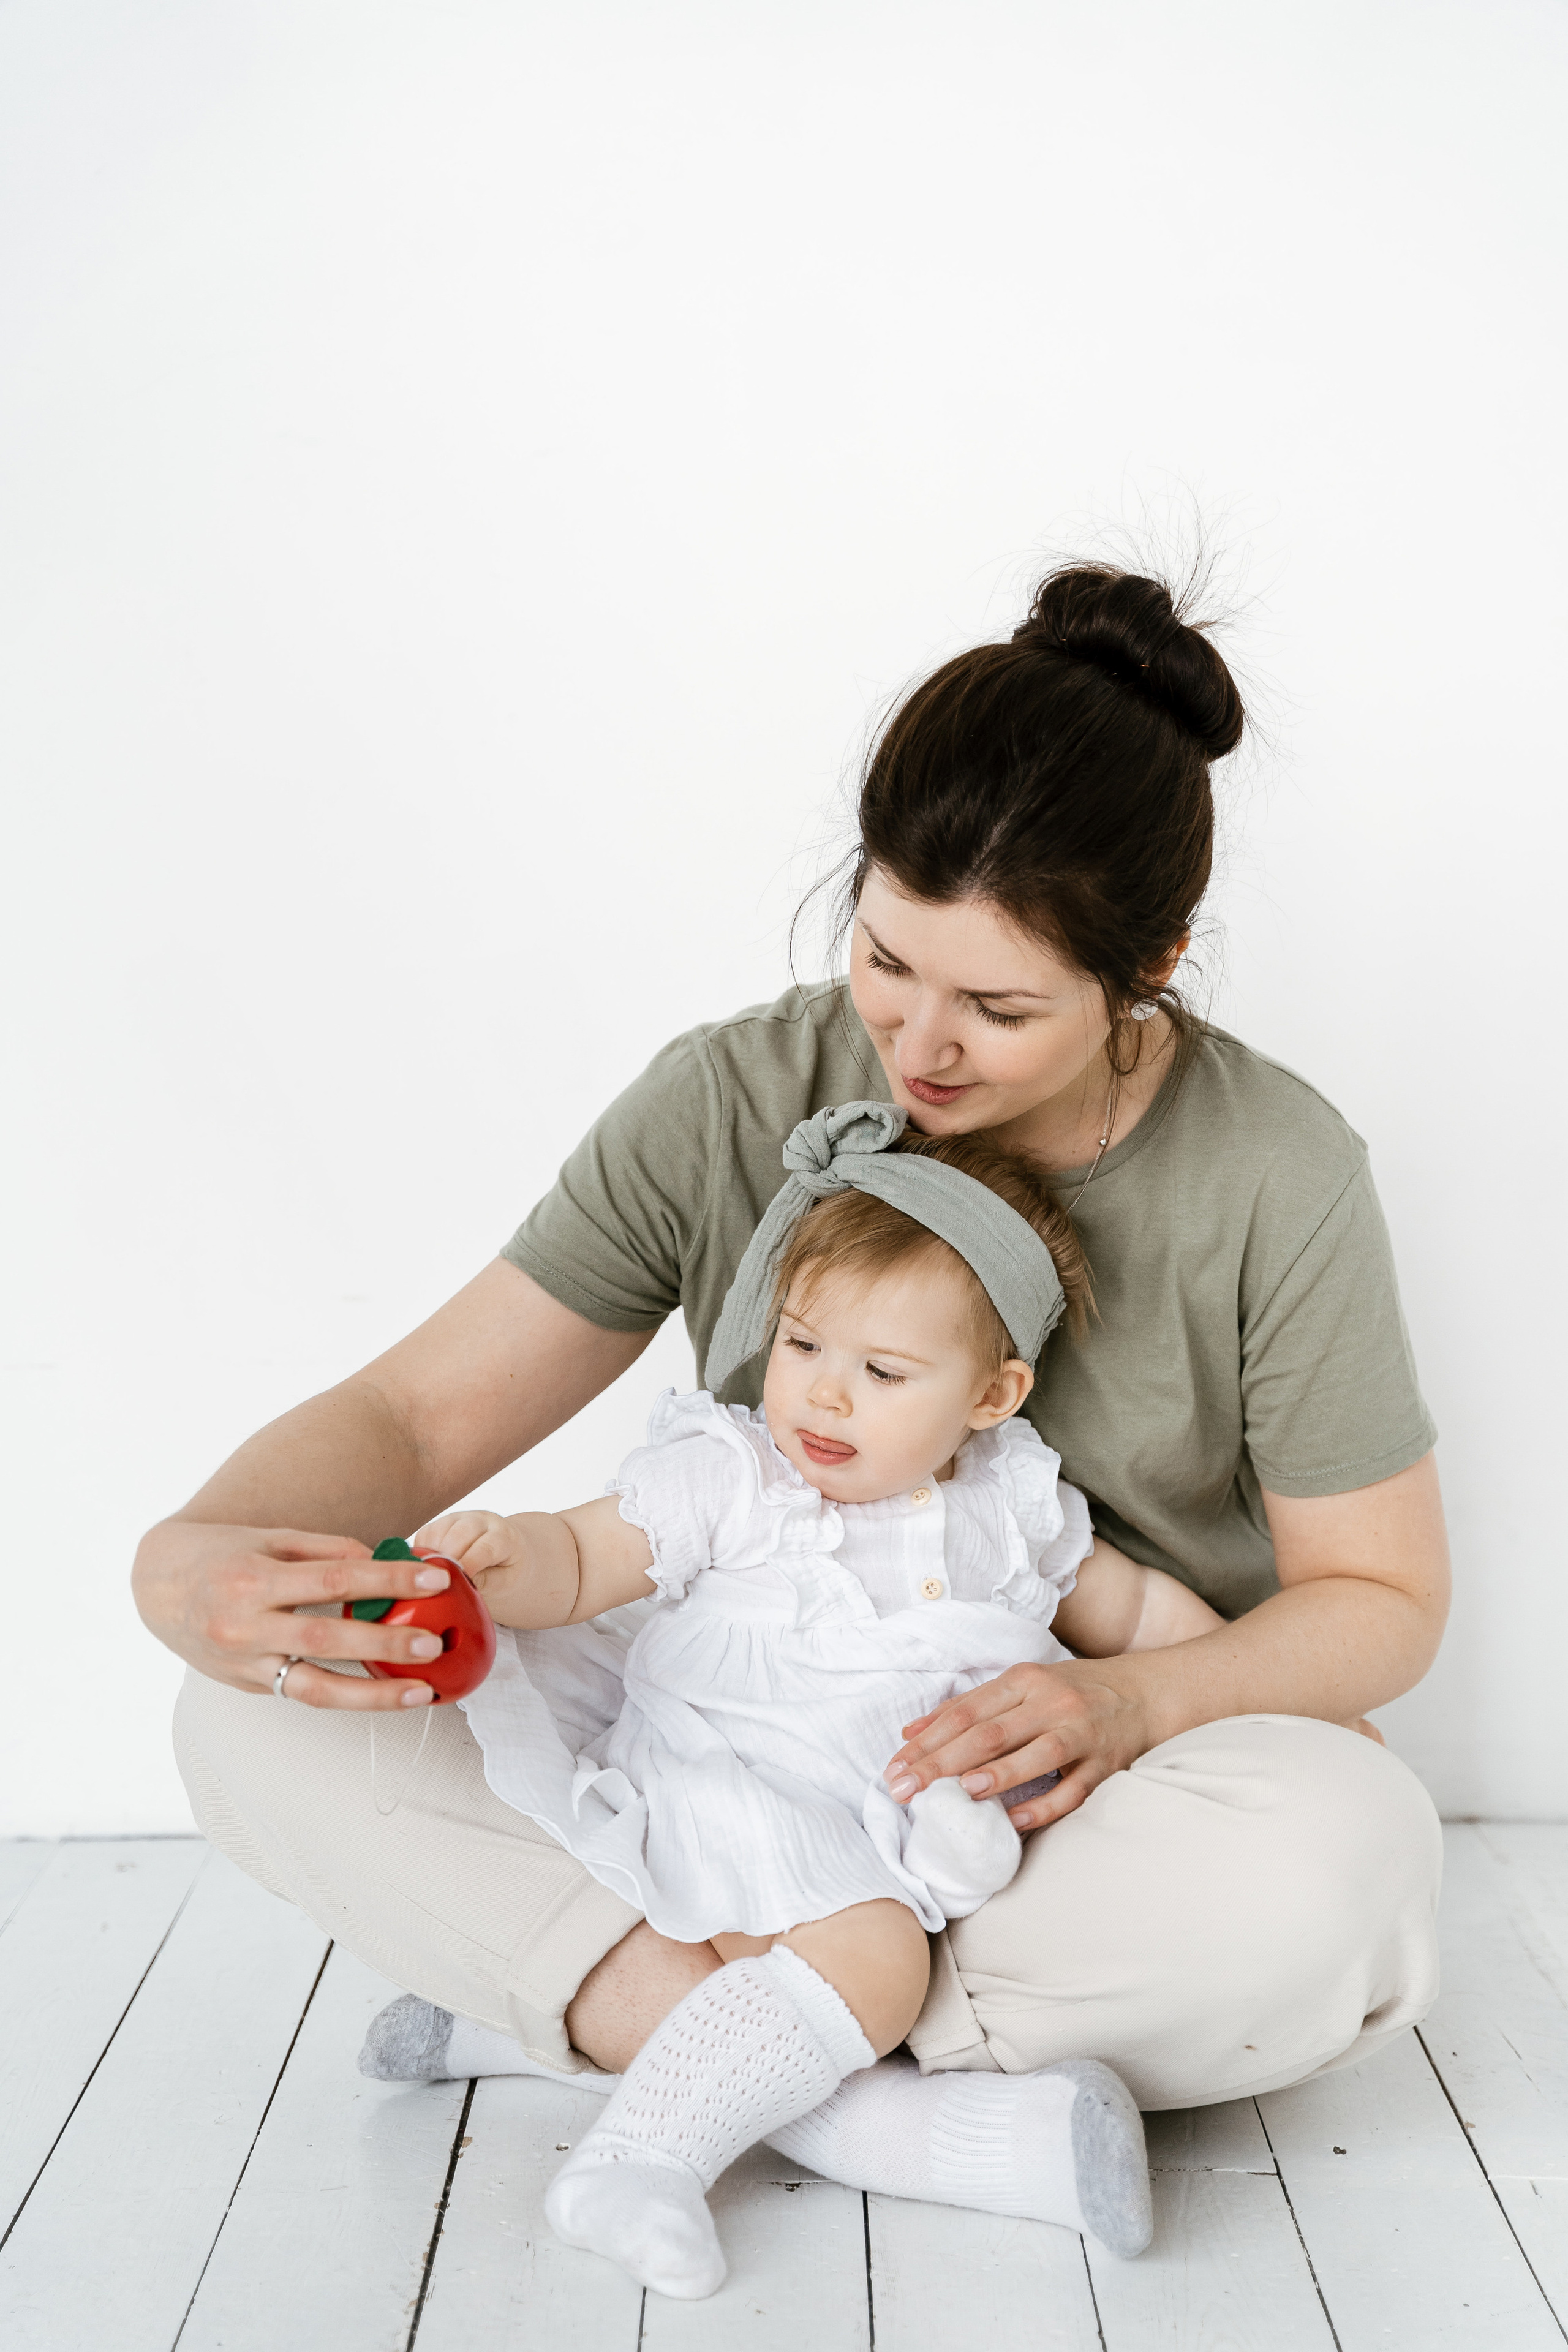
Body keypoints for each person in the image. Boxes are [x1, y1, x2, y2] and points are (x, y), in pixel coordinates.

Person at [137, 562, 1448, 2236]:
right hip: (731, 1771)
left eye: (1001, 1007)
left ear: (1155, 968)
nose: (919, 1043)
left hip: (1048, 1823)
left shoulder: (1275, 1169)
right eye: (889, 960)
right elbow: (410, 1425)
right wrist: (194, 1554)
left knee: (1348, 1857)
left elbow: (1383, 1600)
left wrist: (1129, 1709)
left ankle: (631, 2017)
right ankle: (860, 2110)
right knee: (248, 1708)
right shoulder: (736, 1090)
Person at [411, 1112, 1226, 2294]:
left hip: (885, 1812)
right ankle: (637, 2163)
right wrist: (509, 1555)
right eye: (801, 1346)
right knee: (877, 1968)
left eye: (883, 1373)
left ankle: (531, 2034)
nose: (825, 1399)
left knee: (950, 1943)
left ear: (994, 1396)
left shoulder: (1015, 1504)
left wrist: (1257, 1692)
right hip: (733, 1780)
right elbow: (587, 1558)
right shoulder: (735, 1474)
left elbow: (1142, 1620)